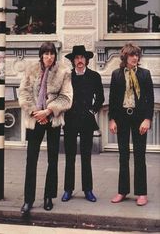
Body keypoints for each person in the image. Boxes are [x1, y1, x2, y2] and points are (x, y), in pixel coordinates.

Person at [18, 42, 73, 215]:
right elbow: (24, 92)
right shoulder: (31, 69)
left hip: (52, 119)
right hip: (35, 119)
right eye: (46, 54)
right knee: (31, 160)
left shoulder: (63, 72)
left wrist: (48, 111)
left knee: (53, 160)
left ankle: (48, 197)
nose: (49, 57)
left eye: (52, 54)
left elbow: (67, 97)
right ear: (41, 55)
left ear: (55, 56)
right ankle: (28, 199)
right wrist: (36, 112)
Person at [109, 43, 154, 206]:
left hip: (139, 118)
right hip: (122, 118)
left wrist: (147, 119)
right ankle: (122, 191)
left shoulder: (145, 74)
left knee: (139, 155)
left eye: (137, 55)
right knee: (123, 155)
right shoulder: (116, 75)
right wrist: (112, 119)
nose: (135, 58)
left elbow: (150, 99)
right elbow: (113, 99)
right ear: (125, 57)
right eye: (132, 55)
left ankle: (142, 193)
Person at [61, 45, 104, 203]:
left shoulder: (94, 76)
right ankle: (68, 189)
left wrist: (92, 111)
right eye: (76, 58)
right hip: (70, 120)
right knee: (70, 157)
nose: (79, 61)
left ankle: (88, 190)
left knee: (86, 157)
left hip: (87, 121)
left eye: (82, 58)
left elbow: (100, 98)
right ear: (73, 61)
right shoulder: (67, 76)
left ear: (86, 60)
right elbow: (62, 96)